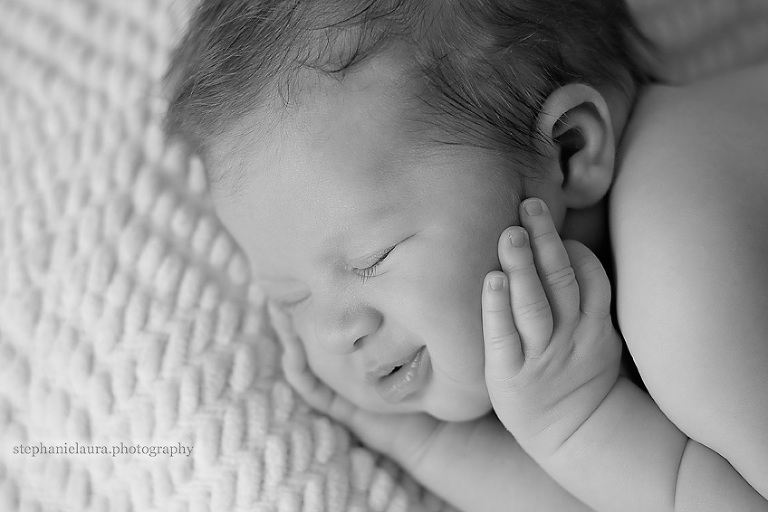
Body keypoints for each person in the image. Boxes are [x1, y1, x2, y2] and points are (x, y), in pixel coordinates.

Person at [164, 0, 768, 510]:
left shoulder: (680, 231)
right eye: (289, 296)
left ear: (568, 151)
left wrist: (579, 423)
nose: (332, 333)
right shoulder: (579, 332)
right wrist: (427, 443)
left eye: (374, 256)